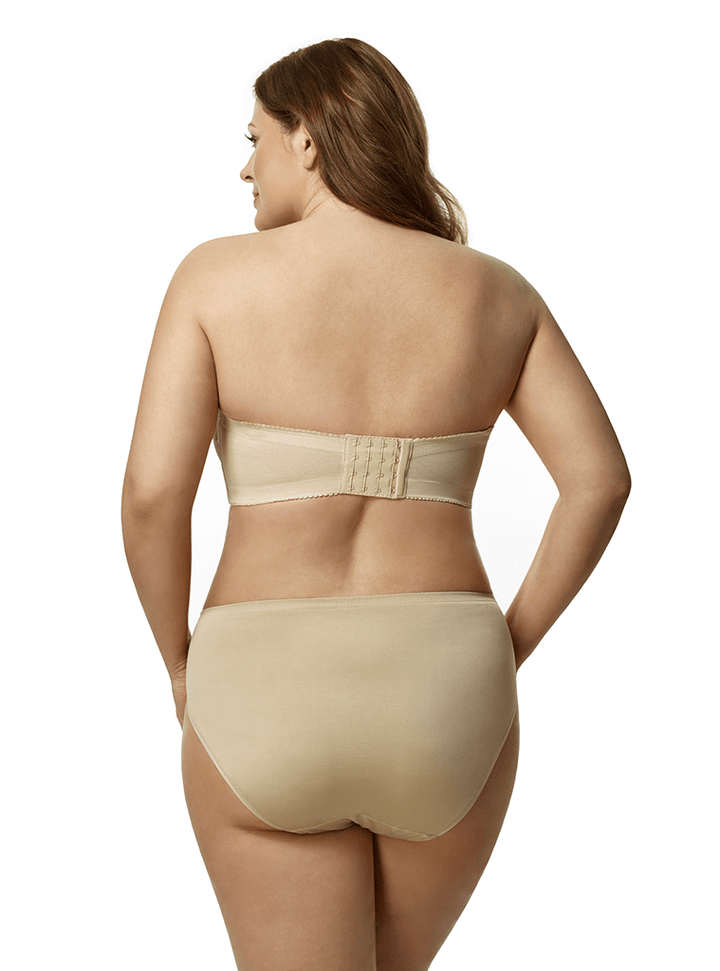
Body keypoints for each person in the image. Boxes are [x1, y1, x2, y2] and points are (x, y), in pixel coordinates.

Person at [121, 36, 631, 971]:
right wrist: (503, 649)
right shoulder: (496, 292)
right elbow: (599, 480)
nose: (246, 167)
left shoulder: (214, 278)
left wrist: (179, 663)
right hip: (448, 684)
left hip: (263, 681)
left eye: (255, 139)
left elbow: (155, 496)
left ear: (307, 139)